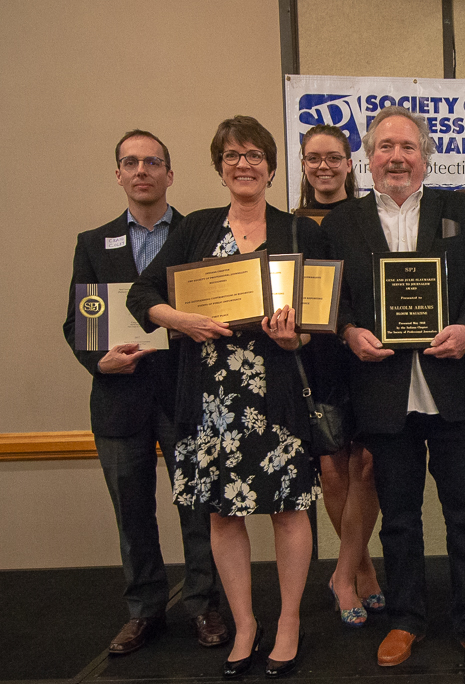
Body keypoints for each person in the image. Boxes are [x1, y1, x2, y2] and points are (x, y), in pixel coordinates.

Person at [127, 115, 326, 678]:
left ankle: (288, 623)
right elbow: (144, 292)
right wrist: (180, 320)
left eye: (255, 155)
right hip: (208, 399)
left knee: (289, 510)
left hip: (277, 397)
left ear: (270, 165)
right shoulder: (194, 230)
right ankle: (245, 625)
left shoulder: (298, 232)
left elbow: (321, 319)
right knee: (221, 513)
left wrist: (297, 336)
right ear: (219, 167)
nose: (244, 164)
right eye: (233, 155)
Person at [322, 106, 465, 671]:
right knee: (399, 517)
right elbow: (334, 300)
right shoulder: (341, 225)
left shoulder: (462, 211)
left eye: (407, 146)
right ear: (368, 158)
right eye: (384, 147)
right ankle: (405, 618)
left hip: (459, 388)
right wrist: (349, 332)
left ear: (425, 156)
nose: (396, 157)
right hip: (383, 391)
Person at [63, 129, 226, 655]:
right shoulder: (93, 242)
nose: (141, 171)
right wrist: (99, 361)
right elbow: (77, 323)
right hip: (118, 397)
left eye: (152, 162)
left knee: (198, 508)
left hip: (186, 393)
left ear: (169, 174)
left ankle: (204, 606)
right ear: (118, 174)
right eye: (130, 163)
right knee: (131, 512)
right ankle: (144, 611)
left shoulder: (200, 234)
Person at [298, 125, 384, 628]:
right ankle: (359, 572)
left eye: (334, 157)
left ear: (351, 162)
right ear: (304, 164)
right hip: (317, 356)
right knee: (333, 469)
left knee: (367, 465)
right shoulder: (291, 225)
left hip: (369, 353)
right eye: (314, 158)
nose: (324, 166)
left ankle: (345, 570)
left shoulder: (368, 217)